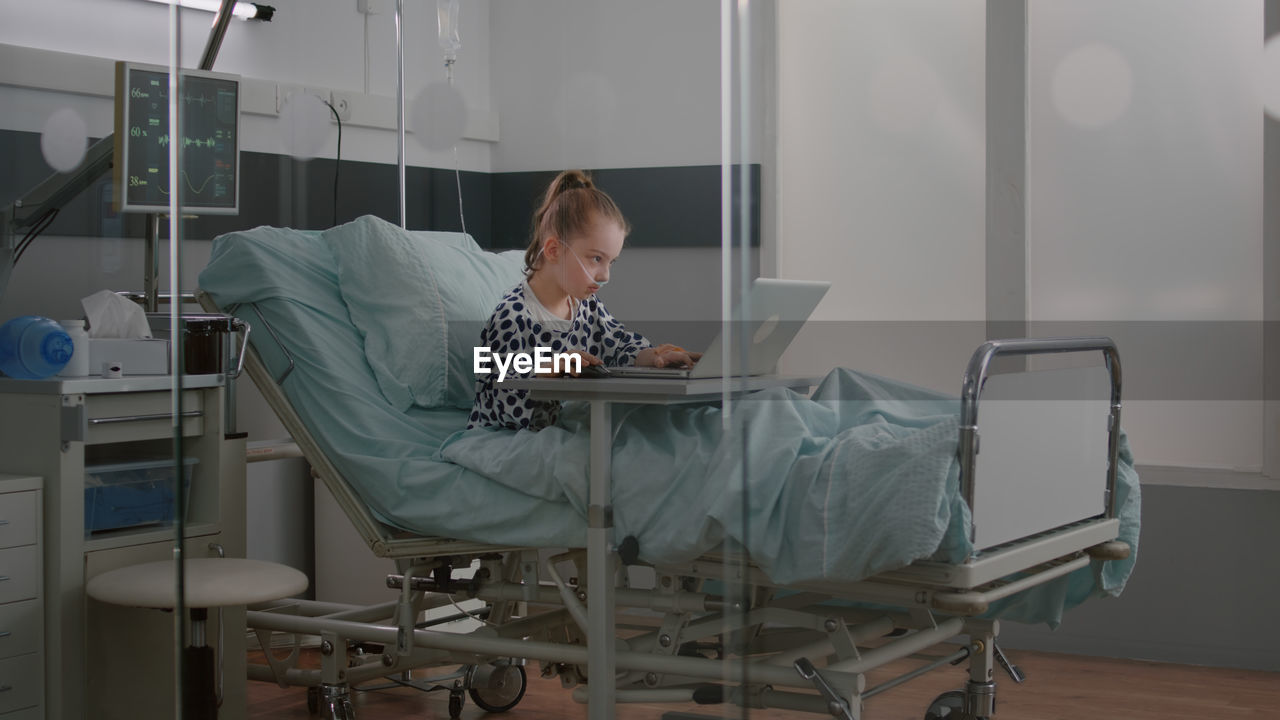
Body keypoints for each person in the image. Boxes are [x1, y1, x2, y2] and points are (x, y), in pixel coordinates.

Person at [468, 170, 699, 431]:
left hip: (570, 427)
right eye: (596, 259)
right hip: (508, 436)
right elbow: (501, 403)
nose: (605, 275)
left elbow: (620, 346)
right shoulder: (510, 317)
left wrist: (656, 357)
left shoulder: (587, 307)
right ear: (554, 250)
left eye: (611, 262)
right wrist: (549, 370)